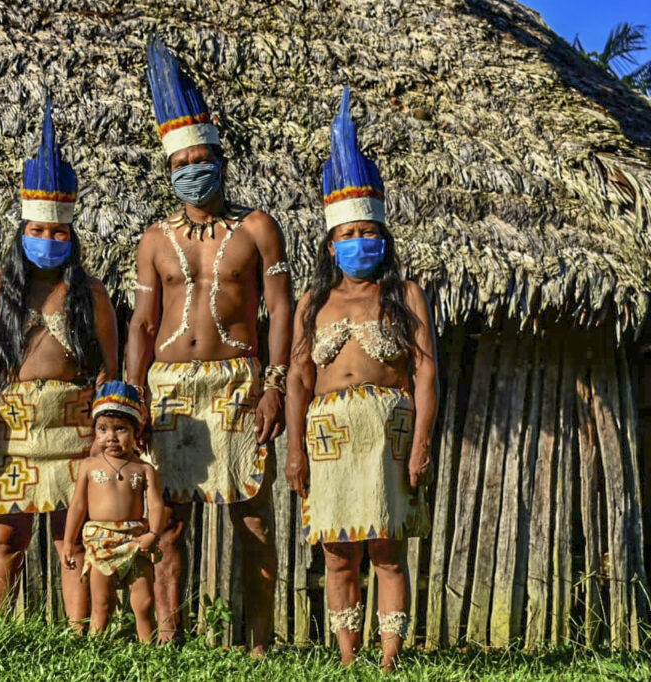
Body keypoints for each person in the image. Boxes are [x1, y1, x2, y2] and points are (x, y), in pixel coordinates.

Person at [125, 36, 292, 654]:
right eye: (180, 162)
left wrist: (273, 388)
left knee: (252, 521)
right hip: (169, 390)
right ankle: (169, 639)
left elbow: (280, 311)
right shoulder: (153, 238)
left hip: (237, 384)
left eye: (202, 158)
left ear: (220, 158)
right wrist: (131, 395)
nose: (193, 169)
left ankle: (259, 646)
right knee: (168, 525)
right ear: (169, 170)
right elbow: (143, 325)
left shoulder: (258, 229)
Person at [285, 87, 437, 672]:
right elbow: (299, 380)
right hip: (327, 439)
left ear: (383, 236)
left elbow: (425, 373)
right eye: (347, 236)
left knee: (387, 550)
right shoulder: (312, 303)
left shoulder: (406, 295)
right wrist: (295, 448)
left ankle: (391, 658)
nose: (359, 243)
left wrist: (421, 444)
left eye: (367, 233)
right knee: (338, 551)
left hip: (387, 435)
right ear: (330, 242)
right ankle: (349, 660)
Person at [0, 100, 118, 628]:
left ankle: (80, 638)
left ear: (72, 237)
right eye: (39, 231)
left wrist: (103, 431)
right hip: (10, 426)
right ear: (22, 230)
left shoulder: (90, 293)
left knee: (71, 535)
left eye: (59, 233)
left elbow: (107, 370)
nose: (49, 240)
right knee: (7, 534)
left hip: (73, 425)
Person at [61, 381, 166, 642]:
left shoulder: (143, 470)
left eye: (121, 429)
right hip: (101, 541)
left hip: (135, 540)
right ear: (95, 431)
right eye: (103, 429)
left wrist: (153, 533)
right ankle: (96, 651)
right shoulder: (89, 466)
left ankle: (149, 652)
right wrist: (68, 542)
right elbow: (77, 506)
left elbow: (155, 504)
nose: (112, 437)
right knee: (102, 605)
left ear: (136, 431)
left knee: (144, 603)